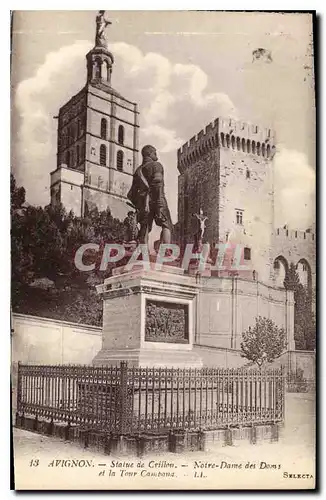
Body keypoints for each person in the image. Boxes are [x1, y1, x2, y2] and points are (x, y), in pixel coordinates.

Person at [127, 145, 173, 245]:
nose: (156, 155)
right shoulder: (156, 165)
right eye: (154, 153)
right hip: (158, 198)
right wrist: (159, 202)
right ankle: (166, 252)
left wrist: (140, 204)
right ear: (149, 154)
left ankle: (144, 254)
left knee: (145, 227)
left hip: (144, 203)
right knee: (167, 225)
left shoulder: (138, 171)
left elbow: (130, 194)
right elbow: (158, 182)